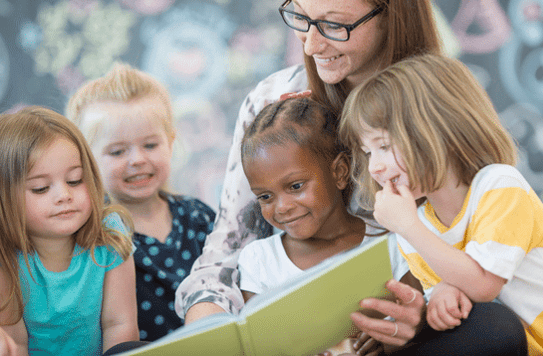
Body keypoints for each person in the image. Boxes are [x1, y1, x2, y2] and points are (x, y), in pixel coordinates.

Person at [175, 0, 527, 353]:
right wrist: (207, 331)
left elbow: (491, 254)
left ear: (392, 12)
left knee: (495, 329)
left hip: (406, 339)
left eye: (333, 25)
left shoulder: (438, 105)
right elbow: (224, 255)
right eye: (301, 16)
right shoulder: (272, 103)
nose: (310, 44)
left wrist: (422, 314)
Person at [338, 53, 543, 356]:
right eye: (368, 153)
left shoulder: (499, 186)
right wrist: (443, 298)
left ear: (438, 132)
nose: (375, 168)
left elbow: (483, 284)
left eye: (383, 146)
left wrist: (410, 230)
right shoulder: (415, 227)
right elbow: (459, 301)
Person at [239, 97, 413, 355]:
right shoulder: (259, 261)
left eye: (295, 186)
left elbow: (416, 320)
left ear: (340, 172)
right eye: (265, 197)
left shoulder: (391, 242)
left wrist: (387, 340)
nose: (282, 207)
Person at [66, 63, 216, 341]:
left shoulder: (199, 216)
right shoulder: (90, 235)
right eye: (117, 151)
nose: (137, 160)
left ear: (170, 143)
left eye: (150, 145)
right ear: (86, 160)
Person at [0, 107, 139, 356]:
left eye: (75, 180)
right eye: (41, 188)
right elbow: (15, 345)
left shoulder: (110, 236)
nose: (64, 196)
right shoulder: (4, 258)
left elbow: (120, 326)